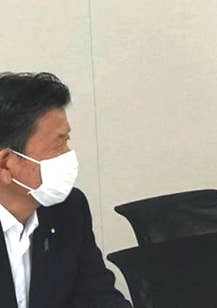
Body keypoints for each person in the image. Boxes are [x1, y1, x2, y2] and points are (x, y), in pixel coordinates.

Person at [0, 72, 131, 308]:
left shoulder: (68, 208)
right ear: (6, 164)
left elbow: (98, 296)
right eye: (58, 143)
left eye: (67, 140)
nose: (68, 156)